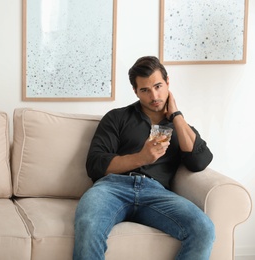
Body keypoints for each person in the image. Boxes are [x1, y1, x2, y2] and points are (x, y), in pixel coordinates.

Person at [73, 56, 215, 260]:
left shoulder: (181, 127)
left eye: (158, 86)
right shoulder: (117, 117)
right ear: (135, 91)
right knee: (88, 224)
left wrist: (176, 115)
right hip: (111, 188)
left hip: (156, 193)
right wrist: (141, 158)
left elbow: (199, 161)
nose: (154, 96)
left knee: (204, 228)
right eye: (145, 90)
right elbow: (95, 164)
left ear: (168, 82)